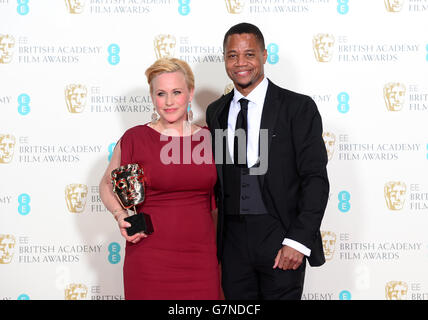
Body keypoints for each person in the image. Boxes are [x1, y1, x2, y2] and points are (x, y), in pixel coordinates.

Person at [206, 22, 329, 300]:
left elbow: (315, 180)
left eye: (249, 54)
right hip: (233, 242)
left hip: (281, 236)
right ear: (225, 59)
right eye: (232, 55)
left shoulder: (298, 108)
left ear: (264, 55)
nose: (241, 63)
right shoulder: (216, 111)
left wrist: (297, 241)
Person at [99, 57, 221, 300]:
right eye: (161, 93)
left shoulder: (210, 138)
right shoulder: (135, 138)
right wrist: (120, 215)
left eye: (176, 92)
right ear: (153, 97)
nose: (169, 101)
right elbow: (106, 184)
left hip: (202, 258)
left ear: (190, 93)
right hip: (148, 256)